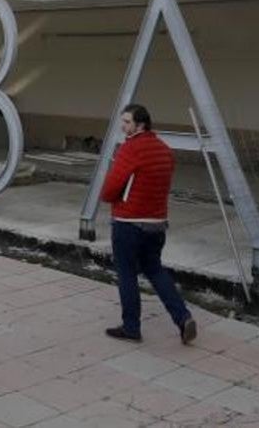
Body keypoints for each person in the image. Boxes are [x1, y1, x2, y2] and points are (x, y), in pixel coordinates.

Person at [100, 104, 196, 345]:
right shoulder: (164, 150)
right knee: (155, 270)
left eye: (127, 122)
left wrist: (110, 197)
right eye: (122, 122)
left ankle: (131, 328)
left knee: (127, 274)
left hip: (129, 223)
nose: (123, 127)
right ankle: (183, 318)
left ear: (140, 125)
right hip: (157, 224)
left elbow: (111, 187)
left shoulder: (131, 149)